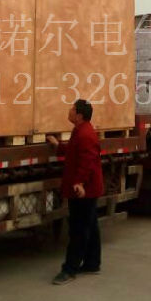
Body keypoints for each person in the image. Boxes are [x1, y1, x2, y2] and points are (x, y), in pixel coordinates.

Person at [46, 99, 104, 285]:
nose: (69, 111)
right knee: (90, 226)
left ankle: (69, 270)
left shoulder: (86, 134)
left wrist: (79, 183)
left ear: (79, 115)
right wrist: (58, 145)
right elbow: (73, 150)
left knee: (78, 230)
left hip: (85, 191)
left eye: (72, 109)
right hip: (87, 189)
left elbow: (87, 162)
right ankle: (92, 263)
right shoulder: (80, 130)